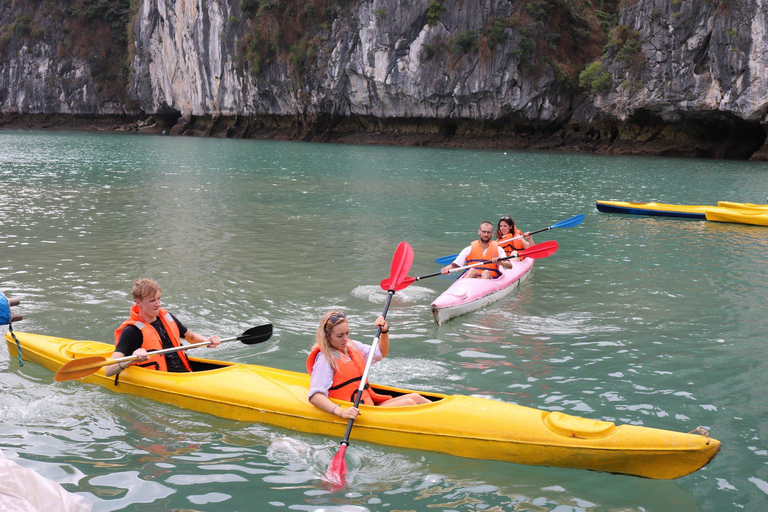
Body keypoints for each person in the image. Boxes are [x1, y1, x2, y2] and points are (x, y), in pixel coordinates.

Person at [307, 311, 430, 420]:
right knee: (409, 403)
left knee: (416, 397)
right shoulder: (325, 359)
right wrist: (341, 412)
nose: (345, 339)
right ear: (327, 337)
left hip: (367, 404)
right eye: (340, 336)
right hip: (355, 411)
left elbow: (381, 352)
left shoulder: (352, 346)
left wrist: (384, 333)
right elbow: (315, 396)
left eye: (347, 333)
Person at [105, 279, 221, 377]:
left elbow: (191, 337)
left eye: (158, 299)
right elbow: (108, 370)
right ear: (138, 302)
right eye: (152, 301)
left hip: (184, 372)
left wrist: (208, 341)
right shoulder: (131, 331)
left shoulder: (167, 318)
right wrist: (132, 358)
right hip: (164, 378)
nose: (158, 304)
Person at [440, 221, 513, 279]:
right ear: (479, 232)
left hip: (490, 280)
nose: (486, 234)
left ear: (492, 233)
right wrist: (446, 268)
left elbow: (510, 266)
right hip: (472, 281)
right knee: (472, 270)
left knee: (486, 273)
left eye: (488, 232)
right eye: (484, 231)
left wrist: (501, 263)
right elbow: (455, 265)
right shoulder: (469, 249)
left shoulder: (498, 249)